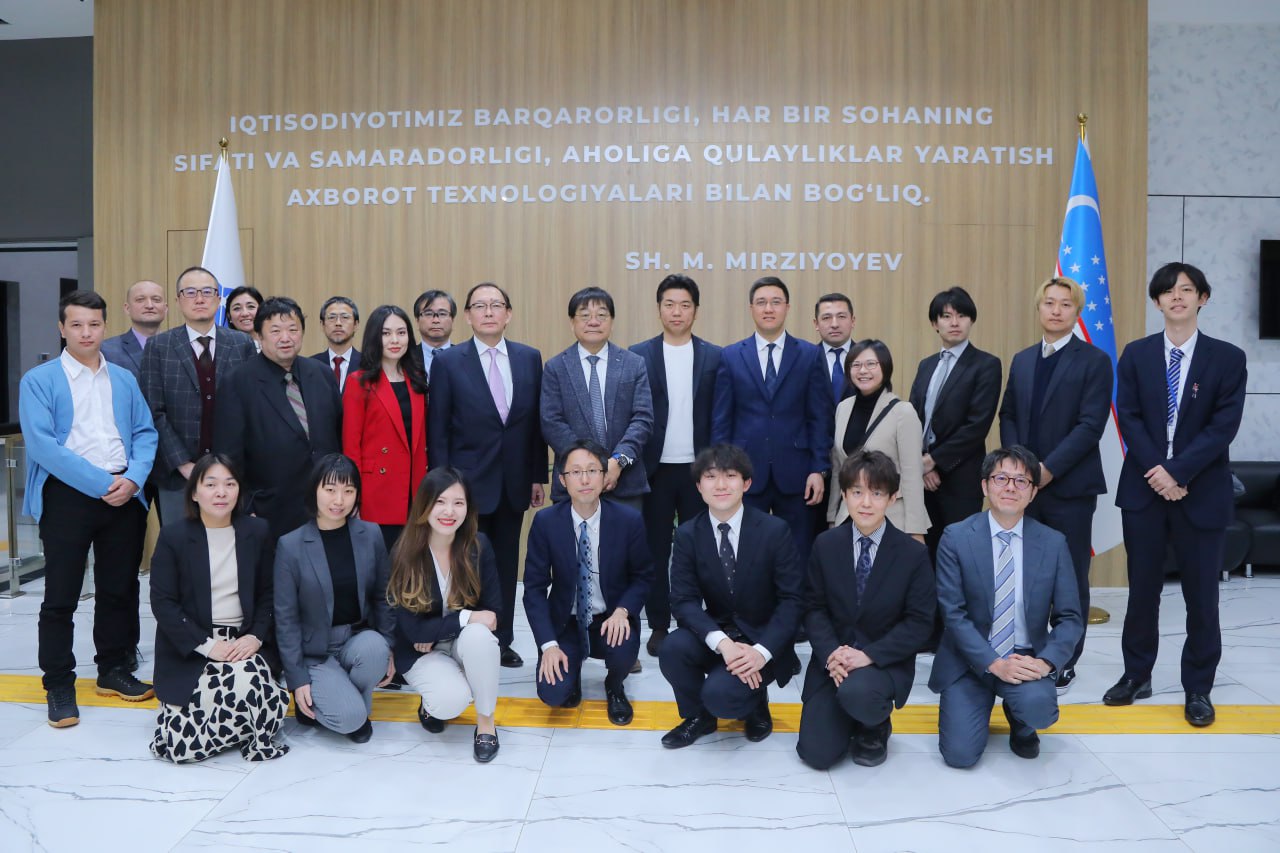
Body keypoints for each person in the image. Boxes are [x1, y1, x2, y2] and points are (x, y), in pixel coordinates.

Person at [1105, 262, 1247, 728]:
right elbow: (1128, 416)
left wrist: (1179, 471)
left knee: (1201, 596)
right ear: (1157, 302)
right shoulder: (1136, 354)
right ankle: (1136, 675)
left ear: (1203, 298)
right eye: (1168, 291)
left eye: (1187, 290)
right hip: (1145, 489)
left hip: (1200, 490)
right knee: (1142, 592)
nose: (1177, 297)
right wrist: (1159, 472)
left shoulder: (1227, 358)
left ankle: (1198, 687)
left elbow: (1223, 426)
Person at [20, 290, 158, 727]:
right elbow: (44, 446)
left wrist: (133, 479)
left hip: (124, 494)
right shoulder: (39, 380)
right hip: (67, 496)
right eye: (76, 325)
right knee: (60, 596)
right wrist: (103, 484)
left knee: (119, 590)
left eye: (94, 324)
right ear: (62, 328)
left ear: (104, 327)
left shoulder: (123, 378)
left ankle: (112, 670)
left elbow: (145, 432)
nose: (86, 333)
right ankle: (59, 684)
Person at [928, 446, 1083, 768]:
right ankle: (981, 702)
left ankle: (1021, 721)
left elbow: (1070, 617)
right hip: (970, 659)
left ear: (1033, 492)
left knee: (1040, 710)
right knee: (960, 755)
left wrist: (1045, 663)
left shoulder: (1053, 543)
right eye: (1001, 478)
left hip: (1025, 657)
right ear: (985, 486)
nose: (1010, 487)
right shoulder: (956, 537)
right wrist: (993, 663)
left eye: (1021, 481)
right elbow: (953, 614)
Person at [998, 276, 1112, 694]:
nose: (1056, 310)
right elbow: (1008, 414)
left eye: (1065, 304)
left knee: (1069, 577)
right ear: (1039, 308)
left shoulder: (1095, 361)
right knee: (1026, 575)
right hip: (1022, 488)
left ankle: (1064, 659)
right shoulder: (1023, 359)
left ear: (1077, 312)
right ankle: (1027, 649)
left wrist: (1046, 470)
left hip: (1069, 489)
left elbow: (1090, 425)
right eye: (1049, 303)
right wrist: (1018, 468)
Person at [428, 282, 547, 669]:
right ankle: (464, 638)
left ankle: (502, 639)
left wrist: (537, 476)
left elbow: (533, 426)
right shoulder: (448, 362)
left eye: (497, 305)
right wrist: (444, 487)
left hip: (513, 482)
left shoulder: (529, 358)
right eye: (480, 306)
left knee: (507, 565)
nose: (489, 312)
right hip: (465, 486)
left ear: (508, 314)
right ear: (467, 316)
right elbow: (438, 429)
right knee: (466, 562)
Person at [796, 450, 936, 769]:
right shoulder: (826, 545)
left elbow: (919, 623)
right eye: (857, 492)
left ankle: (875, 724)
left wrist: (868, 655)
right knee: (816, 754)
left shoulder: (912, 555)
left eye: (877, 493)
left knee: (859, 694)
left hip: (882, 663)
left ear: (892, 497)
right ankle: (847, 716)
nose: (866, 503)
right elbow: (814, 608)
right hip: (834, 662)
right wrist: (832, 654)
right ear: (844, 495)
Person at [659, 444, 803, 748]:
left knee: (721, 697)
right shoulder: (688, 534)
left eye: (730, 475)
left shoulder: (774, 531)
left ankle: (756, 702)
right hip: (718, 633)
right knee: (672, 647)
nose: (721, 485)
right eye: (711, 477)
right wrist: (722, 643)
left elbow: (792, 600)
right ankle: (699, 717)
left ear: (746, 483)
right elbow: (683, 600)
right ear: (699, 486)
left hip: (761, 638)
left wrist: (761, 652)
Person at [148, 453, 290, 763]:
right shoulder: (174, 537)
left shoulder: (257, 531)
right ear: (194, 493)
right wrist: (207, 645)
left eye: (229, 484)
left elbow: (269, 593)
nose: (221, 492)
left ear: (239, 490)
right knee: (182, 748)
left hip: (242, 640)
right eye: (210, 484)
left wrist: (255, 636)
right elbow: (163, 602)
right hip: (194, 643)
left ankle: (242, 724)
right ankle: (234, 727)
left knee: (249, 682)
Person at [522, 440, 652, 725]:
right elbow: (533, 590)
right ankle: (573, 669)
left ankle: (614, 686)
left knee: (622, 650)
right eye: (576, 472)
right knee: (554, 694)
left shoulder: (628, 520)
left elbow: (643, 576)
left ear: (605, 477)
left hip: (610, 618)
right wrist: (548, 645)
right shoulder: (546, 522)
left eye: (592, 470)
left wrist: (623, 611)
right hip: (566, 622)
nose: (584, 479)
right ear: (562, 480)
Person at [712, 276, 833, 568]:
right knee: (746, 555)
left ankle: (794, 600)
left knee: (797, 554)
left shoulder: (809, 355)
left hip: (798, 474)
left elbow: (819, 418)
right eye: (762, 302)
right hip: (745, 473)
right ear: (751, 308)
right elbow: (721, 420)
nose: (769, 309)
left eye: (776, 302)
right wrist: (722, 471)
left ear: (787, 307)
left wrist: (818, 468)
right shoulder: (731, 356)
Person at [630, 274, 722, 657]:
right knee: (654, 549)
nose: (677, 312)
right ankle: (659, 624)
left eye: (685, 305)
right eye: (669, 304)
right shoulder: (638, 355)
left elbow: (719, 414)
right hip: (654, 469)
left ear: (696, 311)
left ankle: (693, 621)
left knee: (699, 549)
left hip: (700, 470)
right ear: (659, 309)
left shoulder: (715, 356)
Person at [274, 454, 395, 742]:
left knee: (376, 648)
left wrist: (390, 649)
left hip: (355, 638)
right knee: (352, 719)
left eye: (348, 490)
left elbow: (383, 597)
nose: (339, 500)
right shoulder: (291, 545)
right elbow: (286, 618)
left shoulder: (371, 534)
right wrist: (297, 679)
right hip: (315, 650)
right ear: (314, 490)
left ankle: (344, 698)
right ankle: (336, 706)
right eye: (330, 490)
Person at [388, 468, 503, 762]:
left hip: (459, 642)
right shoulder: (405, 552)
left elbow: (492, 615)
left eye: (458, 503)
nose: (449, 511)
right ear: (425, 504)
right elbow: (414, 631)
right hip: (420, 652)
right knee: (451, 701)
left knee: (480, 638)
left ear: (468, 508)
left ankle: (486, 724)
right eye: (440, 501)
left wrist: (440, 627)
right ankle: (431, 703)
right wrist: (466, 618)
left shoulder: (479, 545)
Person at [214, 297, 343, 541]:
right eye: (275, 331)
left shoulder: (321, 374)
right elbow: (228, 454)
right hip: (269, 510)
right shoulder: (238, 382)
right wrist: (244, 506)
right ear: (259, 336)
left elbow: (338, 436)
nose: (286, 338)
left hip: (327, 506)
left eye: (293, 329)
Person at [140, 266, 256, 527]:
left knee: (228, 544)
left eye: (207, 292)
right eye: (190, 292)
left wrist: (229, 465)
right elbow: (152, 411)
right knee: (182, 545)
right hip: (177, 475)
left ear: (218, 298)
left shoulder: (241, 344)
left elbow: (251, 408)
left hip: (231, 473)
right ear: (178, 300)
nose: (200, 299)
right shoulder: (159, 347)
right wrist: (183, 464)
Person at [908, 287, 1002, 561]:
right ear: (934, 323)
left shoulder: (986, 365)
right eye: (947, 316)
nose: (955, 323)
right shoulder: (926, 365)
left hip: (960, 478)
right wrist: (922, 463)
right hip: (922, 479)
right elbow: (913, 419)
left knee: (960, 555)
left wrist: (934, 461)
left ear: (971, 320)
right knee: (924, 554)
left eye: (962, 316)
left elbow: (977, 426)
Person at [541, 286, 654, 510]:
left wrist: (617, 462)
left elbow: (643, 419)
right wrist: (590, 467)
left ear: (612, 322)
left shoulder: (633, 364)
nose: (593, 322)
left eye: (601, 315)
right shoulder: (556, 367)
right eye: (585, 316)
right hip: (575, 483)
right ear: (572, 322)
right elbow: (551, 422)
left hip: (625, 481)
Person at [342, 304, 428, 553]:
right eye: (386, 333)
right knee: (380, 564)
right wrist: (353, 494)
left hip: (414, 488)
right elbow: (351, 444)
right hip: (377, 490)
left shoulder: (417, 379)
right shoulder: (359, 381)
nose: (395, 340)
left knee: (411, 563)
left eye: (401, 333)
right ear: (374, 337)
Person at [829, 339, 929, 541]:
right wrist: (832, 516)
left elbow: (912, 475)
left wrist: (916, 529)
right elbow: (838, 468)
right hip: (848, 516)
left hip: (892, 517)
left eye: (871, 364)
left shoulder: (903, 412)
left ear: (885, 367)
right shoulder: (843, 408)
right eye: (856, 365)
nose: (863, 370)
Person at [101, 279, 167, 378]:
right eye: (140, 300)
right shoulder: (106, 350)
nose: (149, 305)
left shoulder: (179, 348)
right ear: (127, 308)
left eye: (156, 300)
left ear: (165, 308)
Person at [813, 293, 857, 407]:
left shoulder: (867, 358)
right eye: (826, 318)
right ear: (816, 324)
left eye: (841, 317)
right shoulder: (806, 359)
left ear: (852, 321)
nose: (834, 324)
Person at [311, 295, 361, 392]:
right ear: (322, 324)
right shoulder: (311, 365)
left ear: (356, 325)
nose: (338, 323)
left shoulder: (368, 365)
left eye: (345, 317)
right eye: (332, 317)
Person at [413, 289, 456, 377]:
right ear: (417, 321)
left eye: (442, 314)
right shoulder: (406, 358)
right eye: (428, 314)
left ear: (452, 320)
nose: (436, 320)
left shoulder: (467, 358)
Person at [225, 285, 264, 350]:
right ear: (229, 316)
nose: (245, 313)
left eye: (251, 307)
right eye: (237, 308)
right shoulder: (223, 349)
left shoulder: (274, 344)